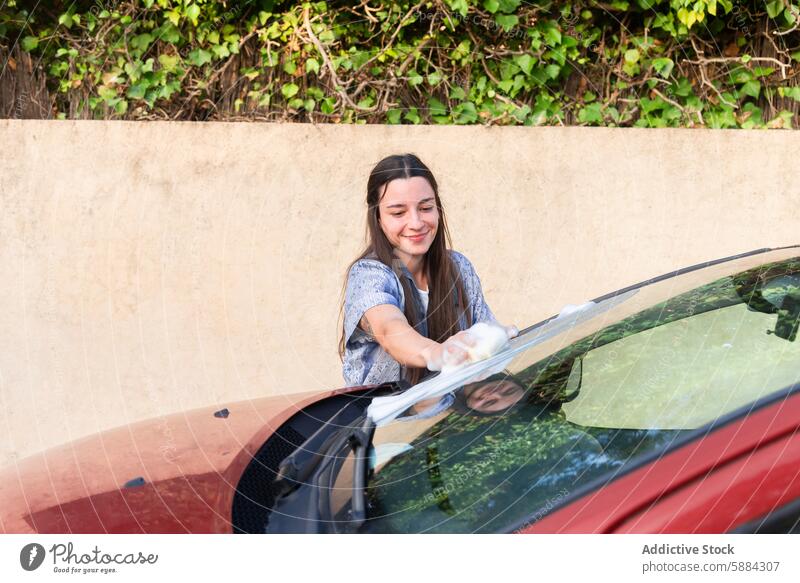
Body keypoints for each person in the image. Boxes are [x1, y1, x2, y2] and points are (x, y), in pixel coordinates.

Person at [340, 153, 516, 386]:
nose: (416, 223)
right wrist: (437, 354)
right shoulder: (369, 274)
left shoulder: (458, 268)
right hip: (383, 420)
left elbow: (484, 342)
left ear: (438, 209)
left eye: (425, 208)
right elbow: (389, 327)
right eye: (398, 213)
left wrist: (498, 338)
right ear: (378, 217)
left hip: (450, 418)